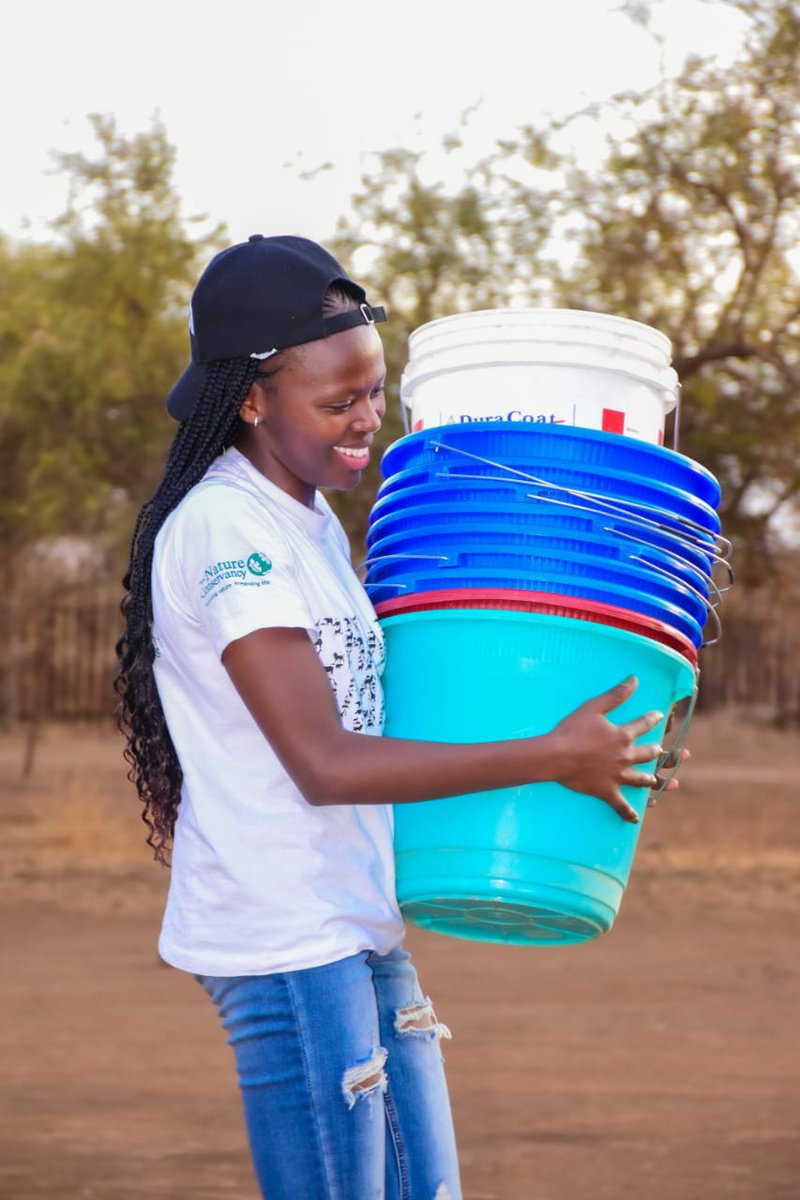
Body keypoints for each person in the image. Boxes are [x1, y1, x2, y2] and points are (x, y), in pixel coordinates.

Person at [115, 234, 674, 1200]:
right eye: (338, 402)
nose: (367, 421)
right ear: (250, 398)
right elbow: (326, 763)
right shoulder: (226, 529)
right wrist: (548, 756)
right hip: (287, 939)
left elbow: (384, 710)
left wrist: (580, 729)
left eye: (375, 392)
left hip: (354, 916)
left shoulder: (313, 519)